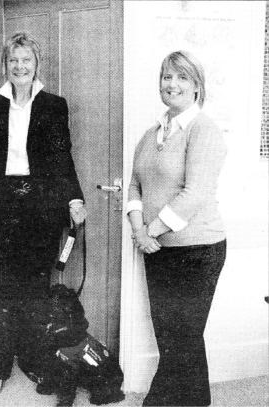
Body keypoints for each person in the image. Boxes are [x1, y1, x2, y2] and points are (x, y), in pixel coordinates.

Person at [0, 31, 87, 401]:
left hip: (40, 206)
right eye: (14, 60)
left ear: (37, 65)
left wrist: (74, 198)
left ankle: (34, 358)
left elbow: (60, 156)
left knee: (35, 291)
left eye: (27, 60)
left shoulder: (54, 105)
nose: (20, 67)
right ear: (5, 65)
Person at [127, 50, 227, 406]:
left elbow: (195, 192)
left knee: (183, 337)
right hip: (157, 249)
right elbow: (135, 186)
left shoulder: (204, 130)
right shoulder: (151, 134)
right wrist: (140, 230)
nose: (172, 84)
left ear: (197, 86)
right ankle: (193, 401)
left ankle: (159, 401)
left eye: (182, 77)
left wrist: (148, 231)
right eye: (167, 77)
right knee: (171, 337)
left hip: (198, 249)